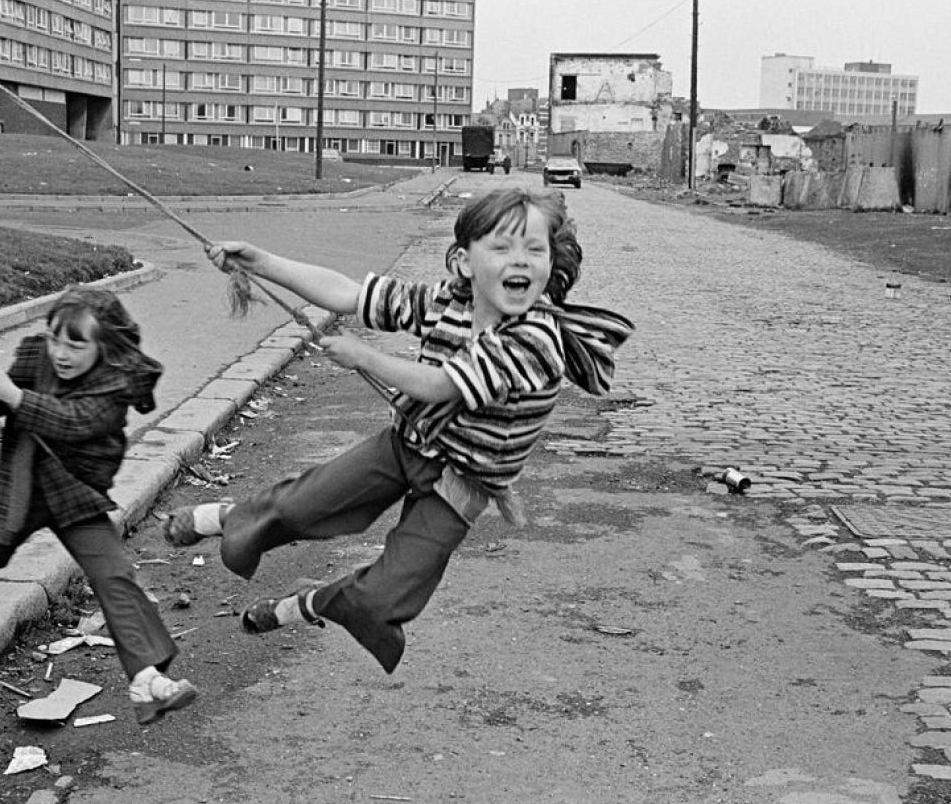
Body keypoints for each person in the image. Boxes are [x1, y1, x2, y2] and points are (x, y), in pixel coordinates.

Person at [168, 188, 632, 673]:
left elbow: (441, 385)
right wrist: (261, 262)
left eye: (534, 249)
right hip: (405, 444)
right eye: (501, 247)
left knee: (380, 601)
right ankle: (228, 517)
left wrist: (364, 356)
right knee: (299, 505)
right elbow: (349, 293)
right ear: (464, 261)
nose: (521, 261)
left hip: (461, 485)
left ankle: (301, 607)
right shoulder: (446, 300)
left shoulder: (536, 337)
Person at [0, 287, 198, 723]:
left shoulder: (115, 385)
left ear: (104, 346)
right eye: (55, 339)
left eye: (76, 344)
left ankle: (146, 678)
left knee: (114, 573)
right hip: (21, 485)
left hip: (73, 492)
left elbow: (73, 422)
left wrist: (14, 396)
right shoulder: (34, 356)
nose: (61, 352)